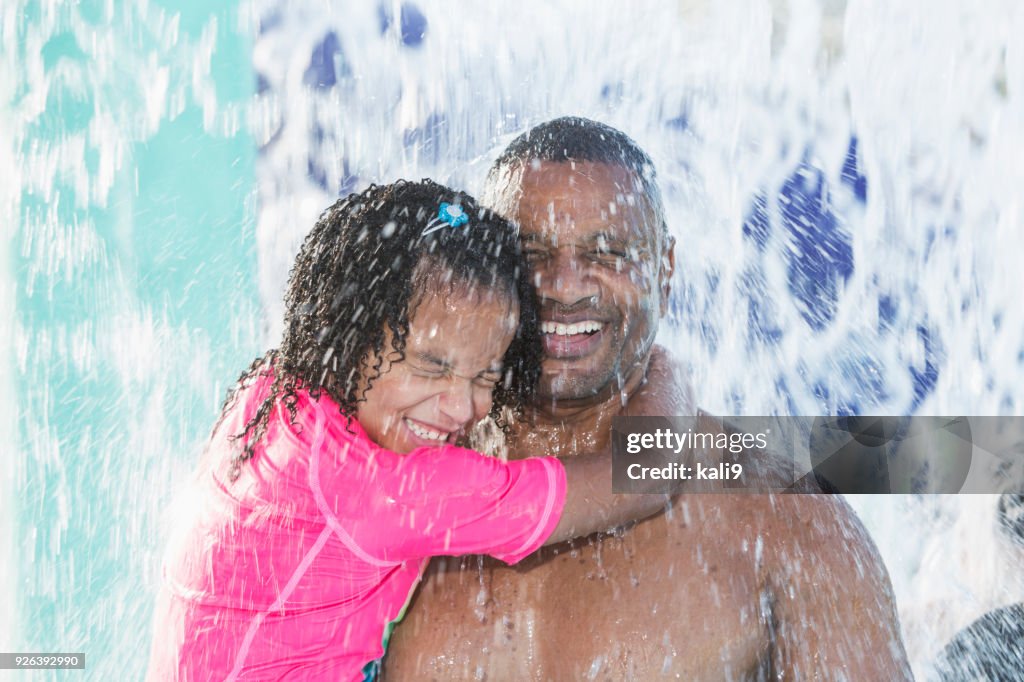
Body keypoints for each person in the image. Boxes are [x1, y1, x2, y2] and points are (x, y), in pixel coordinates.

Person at [383, 118, 913, 679]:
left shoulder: (785, 518)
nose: (565, 286)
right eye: (530, 252)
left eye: (608, 253)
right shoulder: (389, 484)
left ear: (664, 270)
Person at [146, 179, 682, 681]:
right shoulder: (397, 493)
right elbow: (647, 474)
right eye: (431, 366)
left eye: (486, 376)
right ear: (353, 333)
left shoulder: (269, 391)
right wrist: (669, 370)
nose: (462, 405)